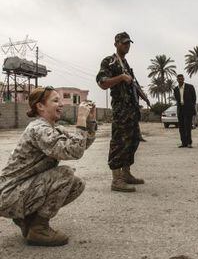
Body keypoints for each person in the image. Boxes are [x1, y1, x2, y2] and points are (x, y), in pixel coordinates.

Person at [0, 87, 96, 246]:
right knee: (65, 174)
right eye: (55, 100)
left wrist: (89, 121)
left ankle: (28, 221)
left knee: (76, 184)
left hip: (22, 190)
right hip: (9, 194)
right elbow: (74, 151)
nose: (61, 104)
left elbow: (80, 145)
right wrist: (80, 120)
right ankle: (39, 228)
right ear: (40, 106)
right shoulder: (38, 129)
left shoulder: (54, 128)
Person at [96, 32, 150, 192]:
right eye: (124, 43)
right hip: (121, 110)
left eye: (128, 43)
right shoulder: (109, 61)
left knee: (133, 141)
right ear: (116, 44)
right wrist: (120, 77)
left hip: (132, 110)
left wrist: (144, 97)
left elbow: (133, 83)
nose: (127, 46)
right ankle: (116, 179)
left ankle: (126, 174)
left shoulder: (126, 64)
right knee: (119, 142)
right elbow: (102, 82)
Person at [174, 74, 197, 148]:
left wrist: (191, 106)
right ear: (177, 80)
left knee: (188, 126)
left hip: (188, 109)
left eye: (181, 78)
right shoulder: (175, 89)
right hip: (180, 110)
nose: (180, 80)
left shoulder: (190, 87)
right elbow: (177, 99)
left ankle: (189, 143)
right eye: (179, 79)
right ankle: (183, 143)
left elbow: (194, 98)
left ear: (183, 79)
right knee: (181, 127)